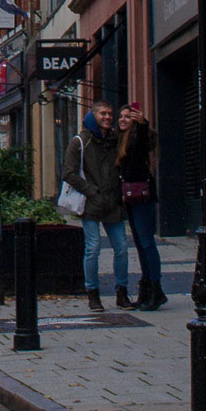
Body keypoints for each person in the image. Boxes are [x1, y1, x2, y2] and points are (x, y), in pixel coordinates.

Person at [61, 101, 131, 313]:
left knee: (122, 248)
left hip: (113, 203)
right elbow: (69, 173)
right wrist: (92, 191)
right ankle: (92, 293)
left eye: (110, 114)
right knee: (93, 249)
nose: (108, 117)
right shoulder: (80, 142)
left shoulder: (115, 139)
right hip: (91, 203)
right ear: (93, 116)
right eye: (103, 114)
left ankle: (122, 292)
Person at [118, 103, 166, 311]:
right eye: (121, 116)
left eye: (128, 117)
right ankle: (147, 287)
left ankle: (155, 288)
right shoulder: (122, 139)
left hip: (141, 196)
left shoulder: (138, 138)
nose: (123, 119)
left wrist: (143, 124)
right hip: (130, 196)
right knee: (139, 243)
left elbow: (141, 148)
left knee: (147, 243)